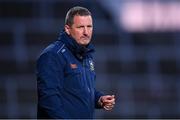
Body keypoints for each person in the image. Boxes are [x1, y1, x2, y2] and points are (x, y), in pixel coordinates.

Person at [36, 6, 115, 119]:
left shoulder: (86, 55)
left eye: (89, 26)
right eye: (80, 27)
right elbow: (49, 100)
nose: (86, 32)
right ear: (68, 29)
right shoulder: (53, 55)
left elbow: (79, 91)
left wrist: (99, 99)